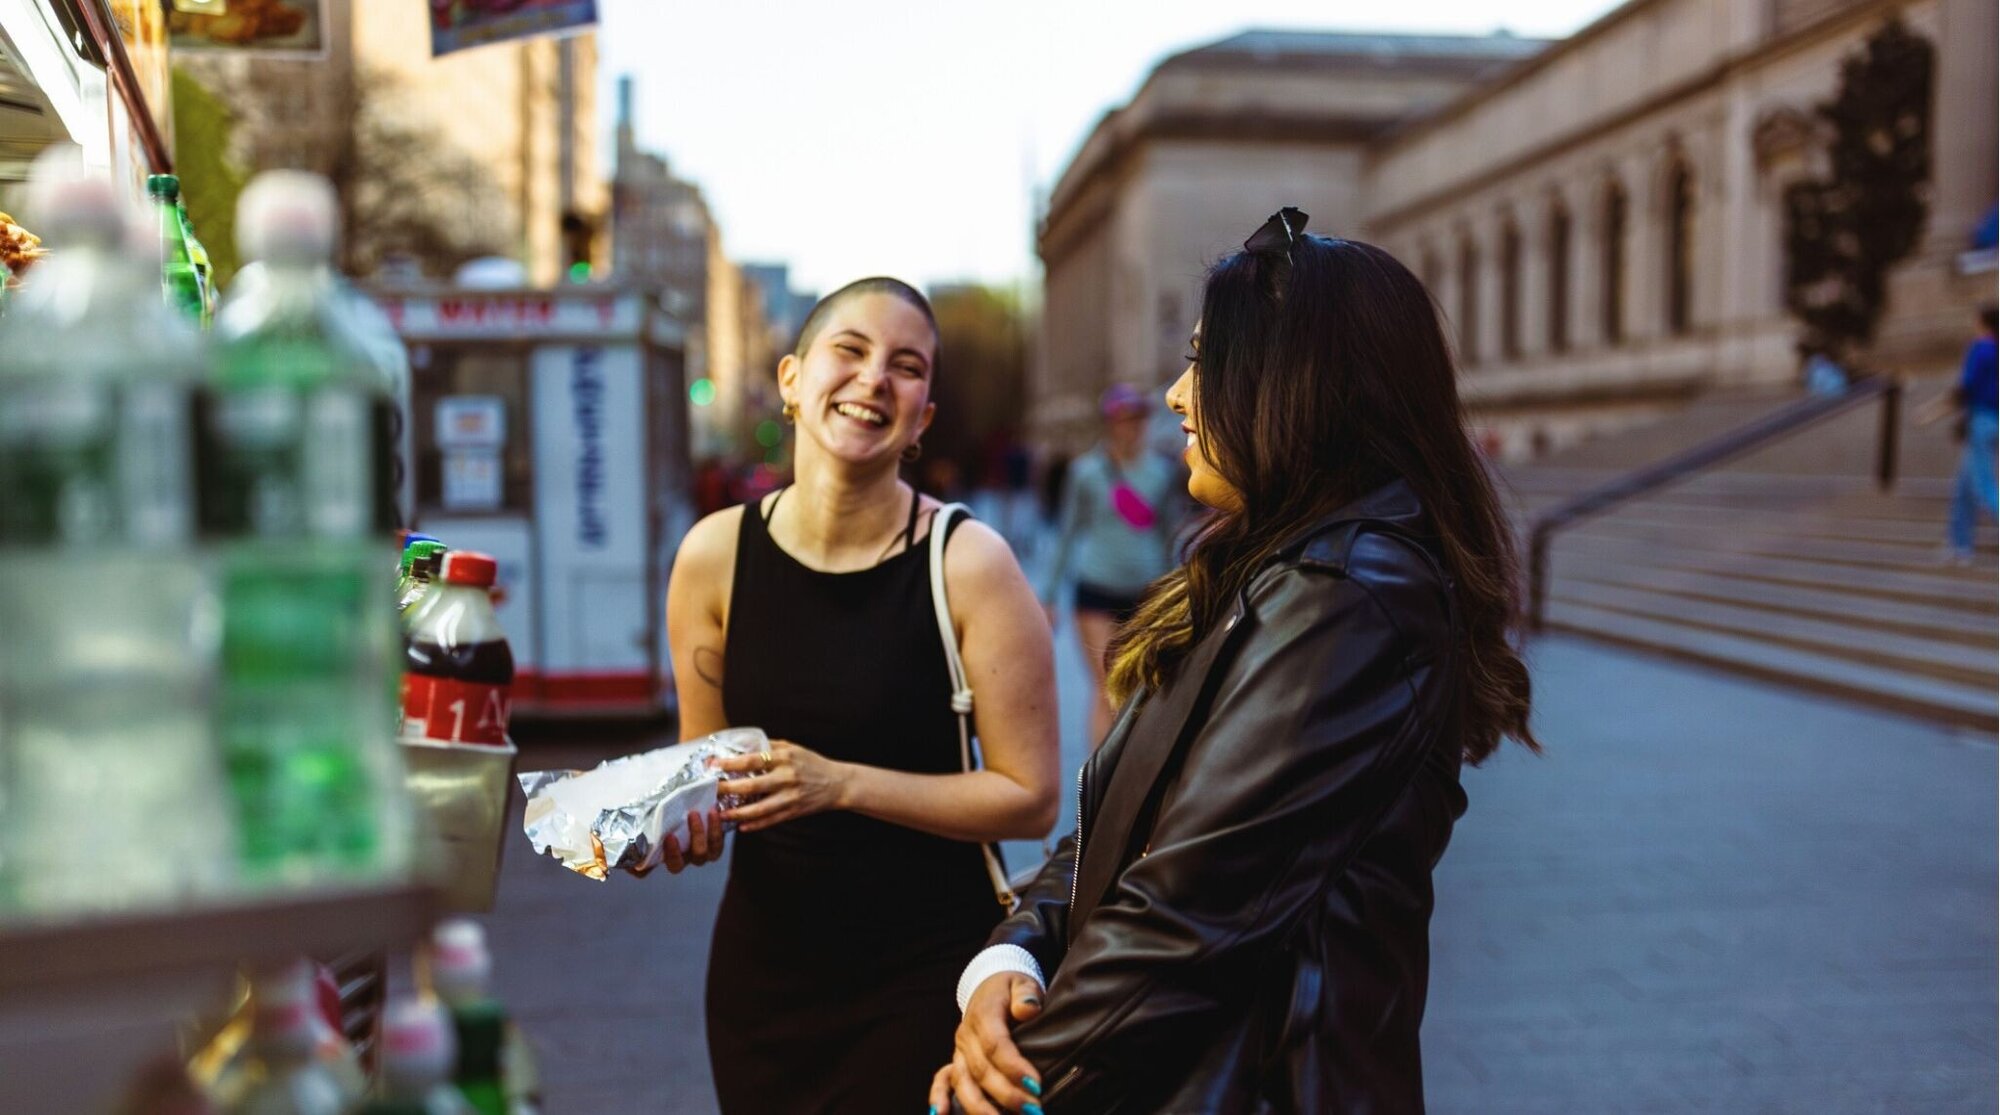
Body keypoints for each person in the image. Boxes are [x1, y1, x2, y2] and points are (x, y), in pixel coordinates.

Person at [931, 211, 1540, 1114]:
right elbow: (1112, 817)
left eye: (1205, 362)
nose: (1177, 394)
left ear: (1291, 385)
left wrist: (1002, 1090)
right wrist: (1009, 957)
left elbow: (1186, 914)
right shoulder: (1260, 568)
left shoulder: (1352, 599)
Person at [656, 277, 1061, 1114]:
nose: (876, 377)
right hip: (763, 985)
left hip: (923, 976)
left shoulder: (968, 563)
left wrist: (839, 783)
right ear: (793, 379)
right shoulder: (712, 555)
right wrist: (682, 821)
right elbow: (705, 770)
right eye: (851, 349)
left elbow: (1031, 798)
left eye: (906, 367)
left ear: (923, 418)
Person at [1039, 383, 1186, 745]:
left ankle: (1132, 778)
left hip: (1147, 593)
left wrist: (1181, 589)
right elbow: (1068, 532)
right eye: (1122, 419)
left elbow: (1172, 533)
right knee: (1107, 687)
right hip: (1097, 591)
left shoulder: (1161, 473)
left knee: (1143, 692)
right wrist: (1049, 596)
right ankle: (1099, 789)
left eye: (1137, 419)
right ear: (1110, 423)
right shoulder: (1086, 472)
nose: (1130, 427)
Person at [1920, 304, 1998, 563]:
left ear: (1981, 322)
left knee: (1985, 486)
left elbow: (1965, 386)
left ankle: (1960, 545)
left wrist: (1932, 411)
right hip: (1994, 421)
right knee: (1963, 487)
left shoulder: (1979, 349)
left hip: (1980, 420)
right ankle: (1960, 545)